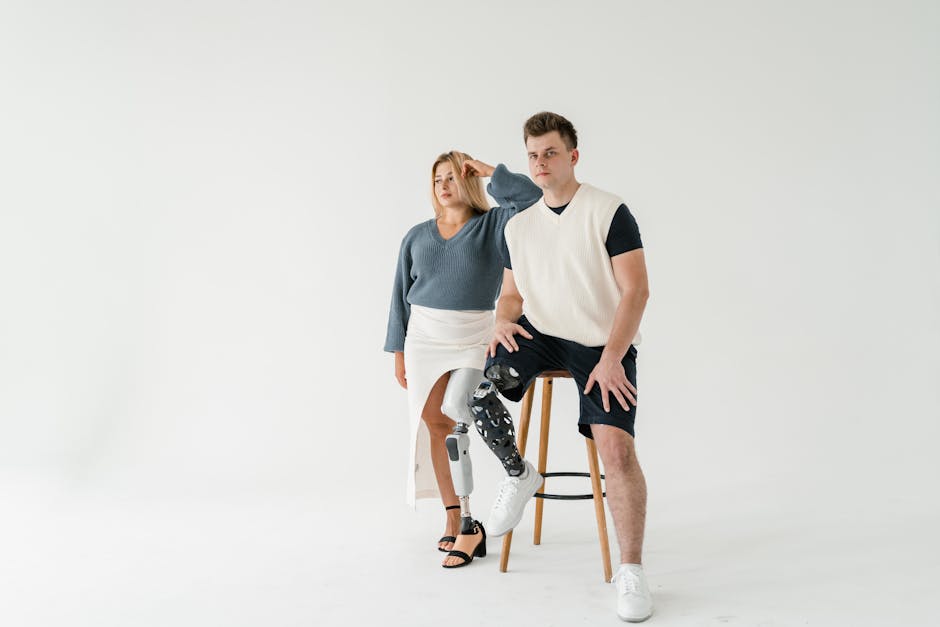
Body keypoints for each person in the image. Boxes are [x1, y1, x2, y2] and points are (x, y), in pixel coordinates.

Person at [465, 112, 654, 621]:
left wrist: (612, 358)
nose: (540, 163)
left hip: (600, 342)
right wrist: (502, 322)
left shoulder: (608, 211)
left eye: (550, 153)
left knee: (617, 452)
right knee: (476, 387)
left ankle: (631, 570)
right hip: (542, 333)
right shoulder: (519, 225)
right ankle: (518, 473)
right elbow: (511, 295)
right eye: (533, 155)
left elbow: (636, 291)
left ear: (573, 156)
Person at [384, 150, 541, 568]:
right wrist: (397, 351)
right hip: (424, 338)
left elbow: (531, 198)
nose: (444, 185)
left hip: (474, 335)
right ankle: (455, 518)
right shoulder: (417, 236)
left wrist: (489, 171)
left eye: (452, 177)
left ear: (468, 180)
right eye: (438, 179)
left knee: (458, 413)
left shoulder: (493, 224)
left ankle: (480, 516)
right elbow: (399, 296)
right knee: (437, 427)